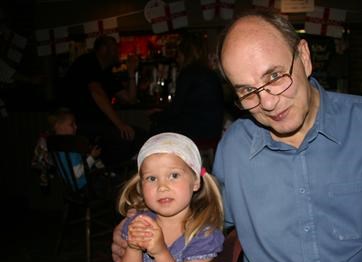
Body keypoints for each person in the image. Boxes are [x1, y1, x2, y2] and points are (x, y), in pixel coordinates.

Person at [113, 10, 362, 262]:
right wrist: (136, 226)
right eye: (247, 91)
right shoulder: (235, 147)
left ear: (304, 57)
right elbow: (203, 218)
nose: (267, 102)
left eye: (274, 76)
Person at [115, 132, 224, 262]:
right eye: (151, 178)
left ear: (196, 181)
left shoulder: (203, 235)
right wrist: (133, 248)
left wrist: (160, 252)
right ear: (141, 187)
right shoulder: (138, 224)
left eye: (173, 175)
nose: (162, 186)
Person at [61, 35, 143, 166]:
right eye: (115, 48)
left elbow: (130, 99)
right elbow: (97, 92)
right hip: (79, 124)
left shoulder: (106, 73)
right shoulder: (88, 61)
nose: (118, 52)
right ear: (104, 49)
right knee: (127, 138)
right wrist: (120, 124)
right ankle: (112, 173)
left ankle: (112, 172)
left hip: (96, 125)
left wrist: (132, 72)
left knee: (137, 136)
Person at [150, 32, 224, 146]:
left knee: (157, 128)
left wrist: (157, 115)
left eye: (178, 55)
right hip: (214, 130)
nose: (177, 59)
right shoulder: (210, 73)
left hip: (197, 133)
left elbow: (176, 109)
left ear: (184, 54)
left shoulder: (188, 73)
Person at [31, 107, 104, 191]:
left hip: (68, 186)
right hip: (83, 185)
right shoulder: (71, 146)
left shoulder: (54, 143)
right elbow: (77, 173)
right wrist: (92, 157)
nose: (76, 127)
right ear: (58, 126)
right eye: (71, 124)